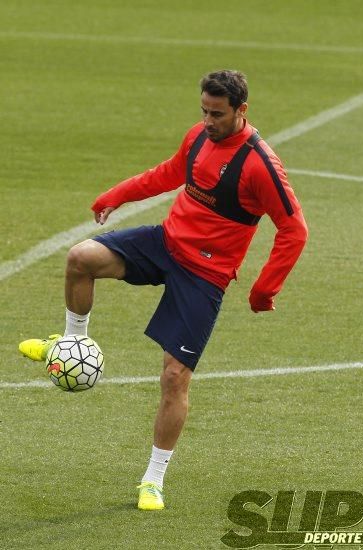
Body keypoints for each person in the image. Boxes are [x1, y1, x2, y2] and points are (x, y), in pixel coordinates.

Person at [19, 70, 308, 511]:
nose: (208, 121)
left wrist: (263, 290)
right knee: (80, 258)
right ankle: (70, 343)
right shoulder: (198, 137)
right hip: (166, 243)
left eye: (218, 114)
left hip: (205, 275)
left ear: (241, 111)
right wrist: (116, 195)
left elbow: (293, 230)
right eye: (204, 112)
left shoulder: (260, 165)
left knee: (175, 377)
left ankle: (153, 478)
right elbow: (170, 173)